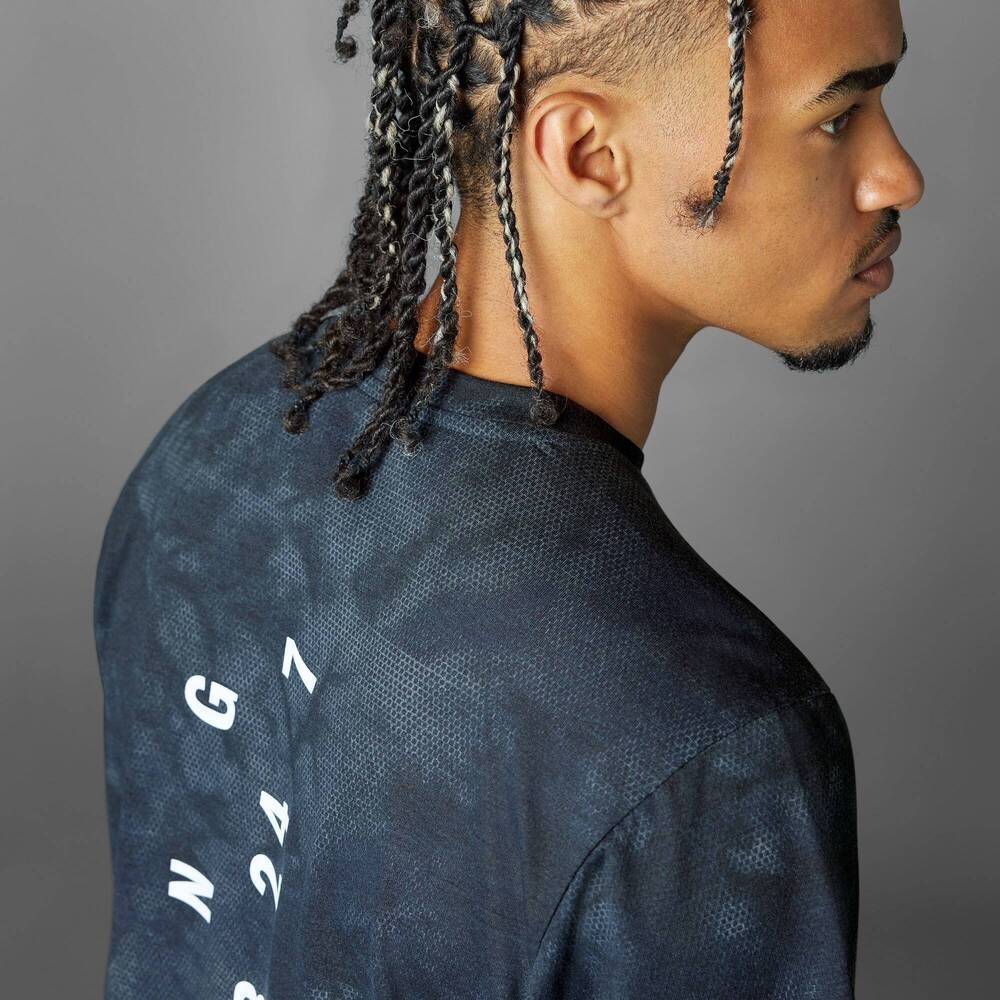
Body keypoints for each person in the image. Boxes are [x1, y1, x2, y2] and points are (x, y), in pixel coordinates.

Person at [92, 0, 923, 996]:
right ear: (588, 155)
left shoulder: (210, 450)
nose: (898, 175)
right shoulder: (708, 739)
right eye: (839, 117)